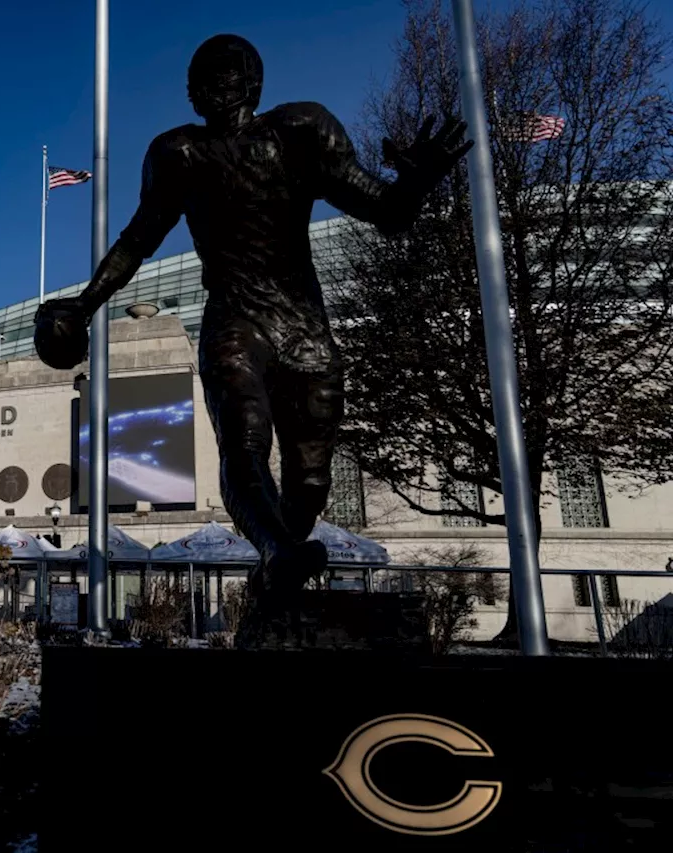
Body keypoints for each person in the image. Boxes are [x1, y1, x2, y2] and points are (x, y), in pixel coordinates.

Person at [34, 34, 472, 600]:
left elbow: (384, 211)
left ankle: (278, 567)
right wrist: (86, 301)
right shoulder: (178, 154)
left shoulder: (302, 131)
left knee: (311, 480)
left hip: (304, 324)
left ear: (253, 80)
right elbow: (137, 240)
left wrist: (414, 184)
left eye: (226, 71)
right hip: (234, 318)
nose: (213, 84)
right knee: (243, 441)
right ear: (190, 92)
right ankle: (280, 551)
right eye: (202, 75)